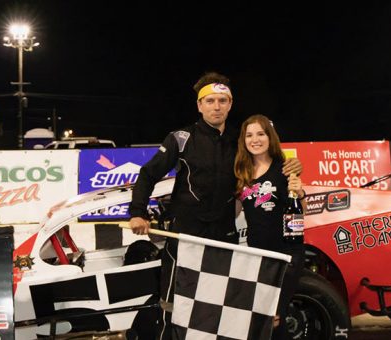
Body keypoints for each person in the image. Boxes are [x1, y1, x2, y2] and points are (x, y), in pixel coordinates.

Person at [128, 71, 302, 340]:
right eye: (209, 101)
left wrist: (292, 166)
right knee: (174, 303)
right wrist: (138, 213)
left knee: (218, 304)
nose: (216, 106)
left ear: (230, 104)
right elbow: (148, 174)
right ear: (199, 105)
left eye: (222, 100)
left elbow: (266, 164)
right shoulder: (180, 138)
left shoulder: (238, 141)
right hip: (185, 234)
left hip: (223, 237)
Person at [234, 114, 306, 340]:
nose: (255, 139)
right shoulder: (241, 173)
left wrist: (300, 192)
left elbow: (301, 210)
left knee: (274, 317)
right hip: (257, 256)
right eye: (249, 135)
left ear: (270, 137)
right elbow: (234, 211)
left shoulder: (285, 168)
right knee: (261, 318)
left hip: (285, 255)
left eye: (260, 134)